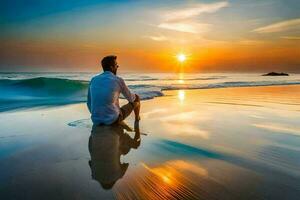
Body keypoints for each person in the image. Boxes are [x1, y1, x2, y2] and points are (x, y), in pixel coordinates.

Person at [87, 55, 140, 126]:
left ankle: (109, 115)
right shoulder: (118, 80)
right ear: (112, 67)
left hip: (95, 120)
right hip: (112, 121)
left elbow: (88, 103)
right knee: (136, 98)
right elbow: (131, 98)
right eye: (116, 65)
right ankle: (137, 119)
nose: (117, 67)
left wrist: (99, 115)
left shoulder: (93, 79)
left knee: (112, 101)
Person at [88, 121, 141, 189]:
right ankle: (133, 121)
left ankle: (134, 125)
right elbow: (90, 163)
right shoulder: (94, 175)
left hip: (112, 132)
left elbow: (126, 165)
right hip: (96, 129)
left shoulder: (118, 175)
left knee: (129, 148)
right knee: (93, 150)